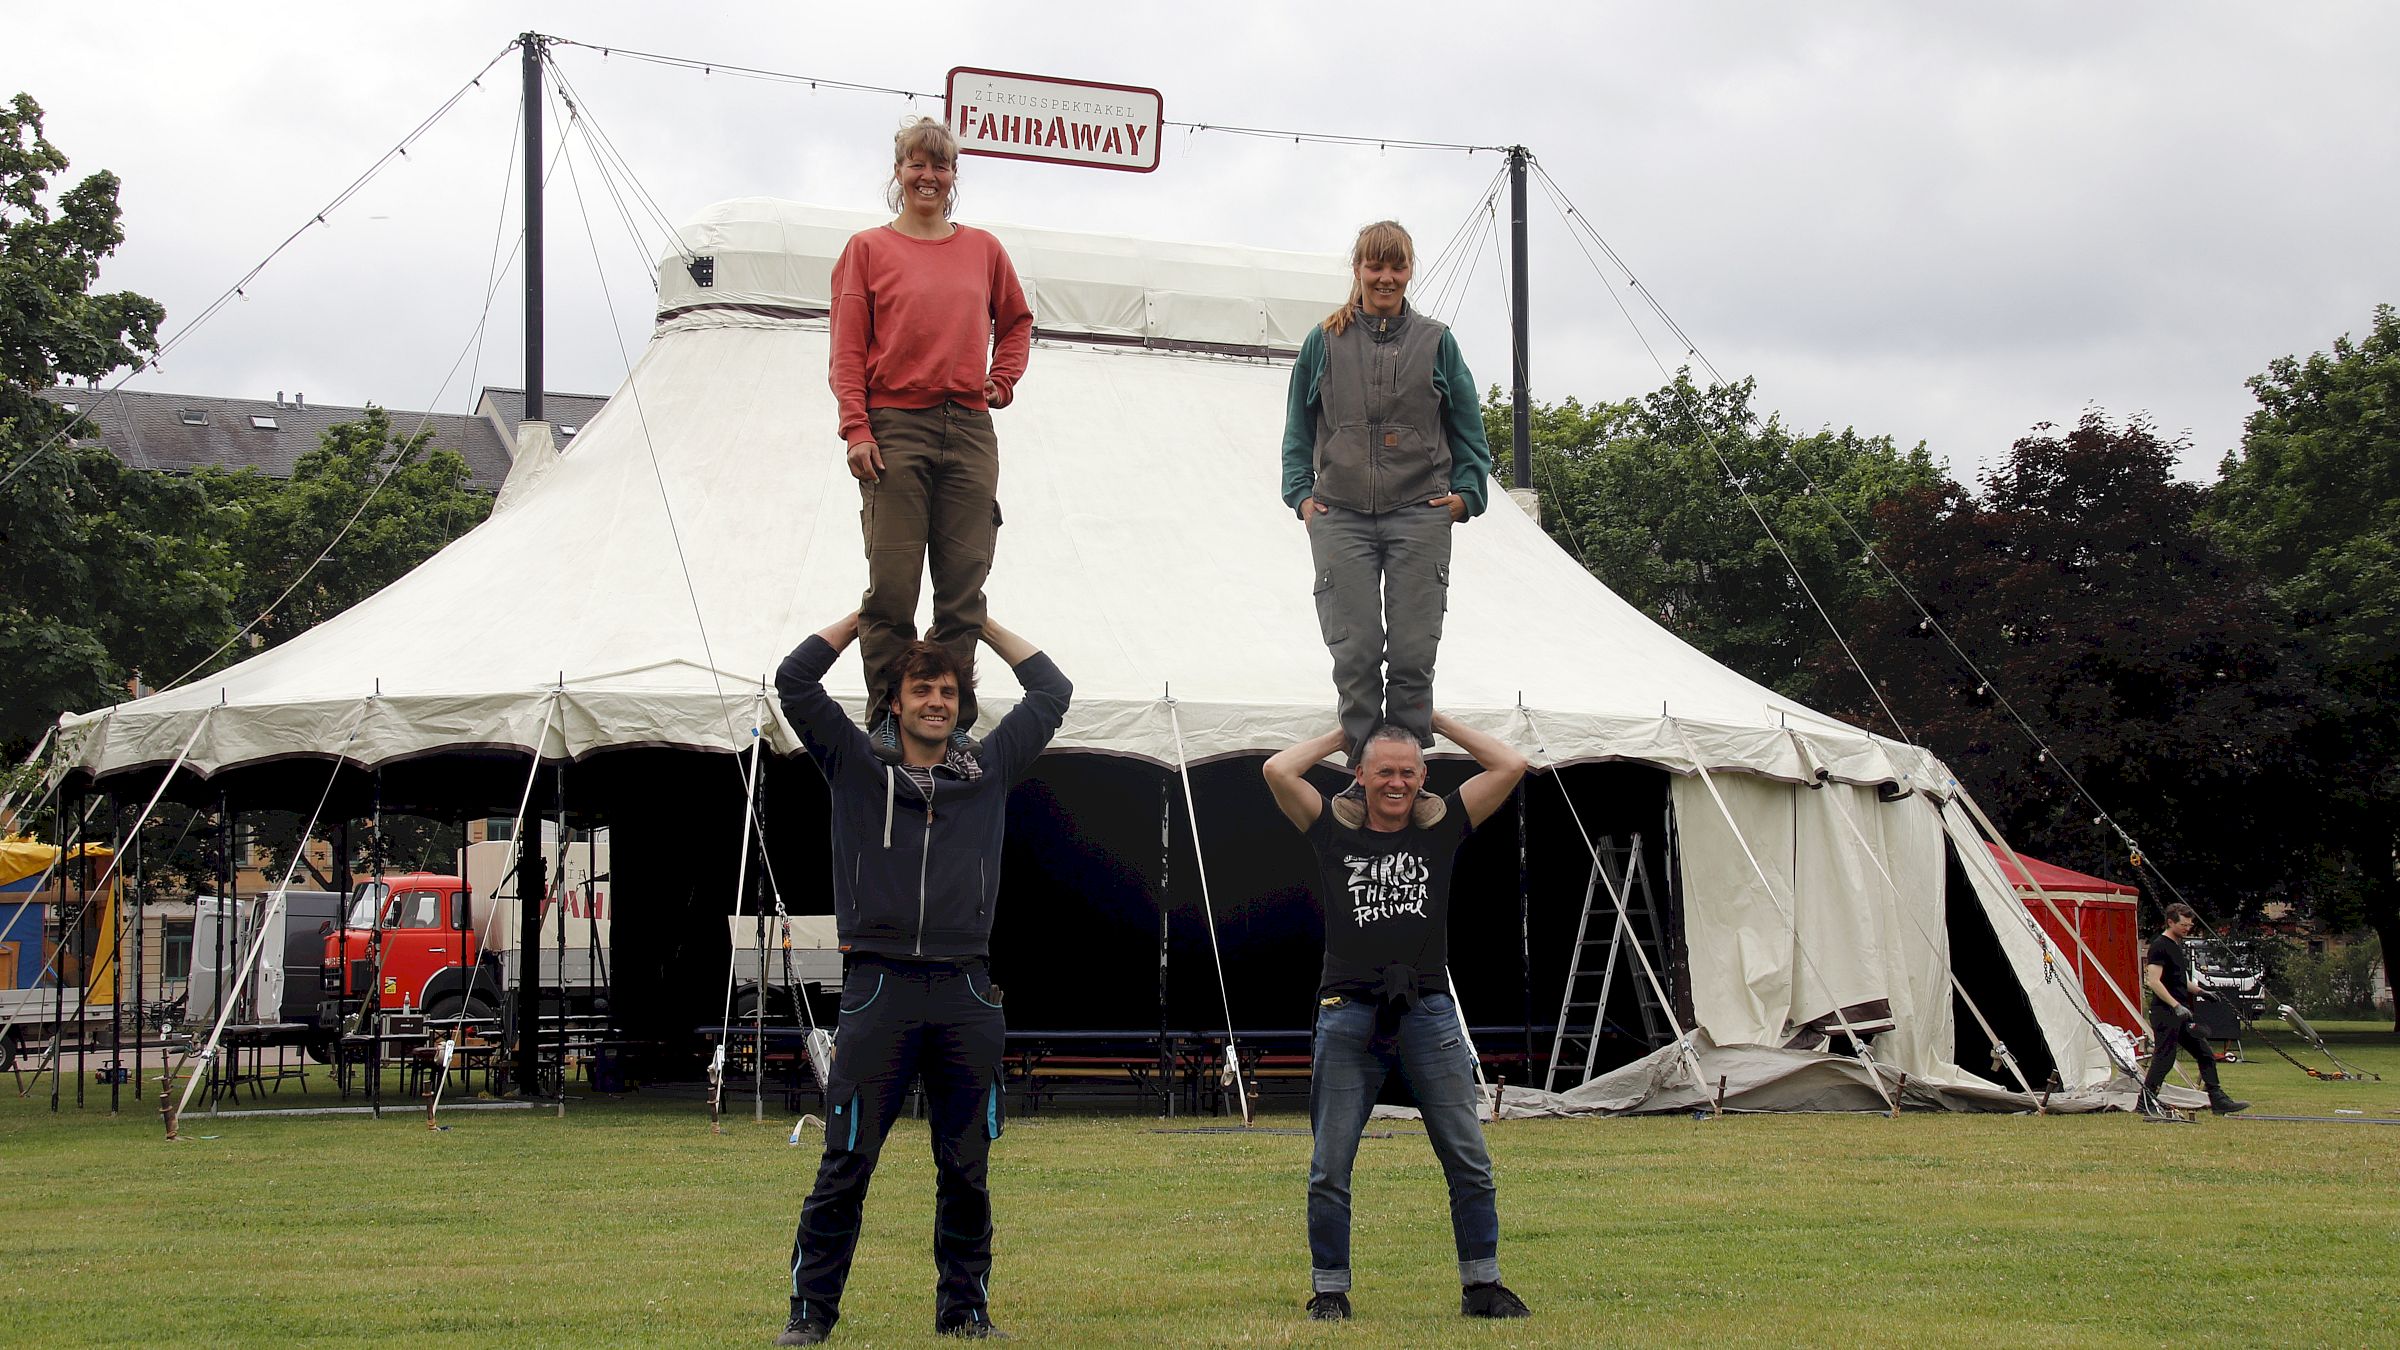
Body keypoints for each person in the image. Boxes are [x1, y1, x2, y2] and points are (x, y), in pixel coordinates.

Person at [771, 611, 1071, 1345]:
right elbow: (795, 681)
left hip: (966, 987)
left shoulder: (987, 770)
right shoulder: (853, 761)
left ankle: (964, 1311)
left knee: (966, 1166)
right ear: (894, 701)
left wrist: (979, 623)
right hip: (878, 986)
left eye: (947, 691)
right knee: (847, 1159)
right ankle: (810, 1316)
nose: (937, 701)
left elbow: (1051, 690)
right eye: (921, 689)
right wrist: (865, 619)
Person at [1261, 712, 1532, 1323]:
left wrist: (1431, 718)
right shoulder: (1331, 827)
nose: (1397, 783)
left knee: (1468, 1155)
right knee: (1330, 1162)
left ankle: (1482, 1286)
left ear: (1423, 776)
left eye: (1409, 772)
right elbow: (1278, 769)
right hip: (1347, 1007)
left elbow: (1510, 765)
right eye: (1384, 771)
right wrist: (1345, 731)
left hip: (1428, 1007)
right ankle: (1329, 1290)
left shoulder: (1442, 828)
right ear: (1359, 775)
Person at [829, 116, 1034, 757]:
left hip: (969, 427)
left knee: (963, 587)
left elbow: (1018, 322)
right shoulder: (867, 249)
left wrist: (1001, 380)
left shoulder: (983, 249)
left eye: (941, 167)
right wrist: (856, 426)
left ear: (953, 178)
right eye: (917, 164)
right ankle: (891, 718)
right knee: (892, 586)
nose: (929, 176)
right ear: (899, 172)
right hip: (895, 424)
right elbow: (847, 347)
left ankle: (955, 719)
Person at [1280, 220, 1494, 762]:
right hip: (1341, 513)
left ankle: (1408, 774)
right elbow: (1297, 429)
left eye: (1396, 266)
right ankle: (1361, 775)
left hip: (1419, 512)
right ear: (1357, 269)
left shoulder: (1436, 341)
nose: (1386, 277)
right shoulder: (1322, 340)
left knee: (1413, 653)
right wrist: (1302, 497)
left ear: (1408, 271)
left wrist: (1468, 495)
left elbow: (1470, 426)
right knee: (1354, 651)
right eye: (1375, 265)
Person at [2138, 902, 2249, 1116]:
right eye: (2183, 925)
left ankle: (2217, 1099)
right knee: (2165, 1057)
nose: (2187, 929)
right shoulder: (2160, 946)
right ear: (2170, 922)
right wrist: (2175, 1005)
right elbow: (2154, 981)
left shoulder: (2176, 946)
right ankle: (2145, 1100)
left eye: (2189, 925)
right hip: (2166, 1013)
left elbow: (2179, 980)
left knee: (2205, 1053)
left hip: (2182, 1013)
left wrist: (2201, 992)